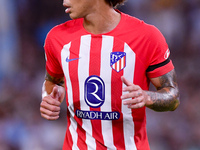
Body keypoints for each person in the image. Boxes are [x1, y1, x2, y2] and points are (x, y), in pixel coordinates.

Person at [40, 0, 180, 149]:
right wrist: (48, 98)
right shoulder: (56, 38)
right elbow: (53, 82)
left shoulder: (147, 37)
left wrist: (146, 97)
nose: (65, 1)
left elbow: (173, 97)